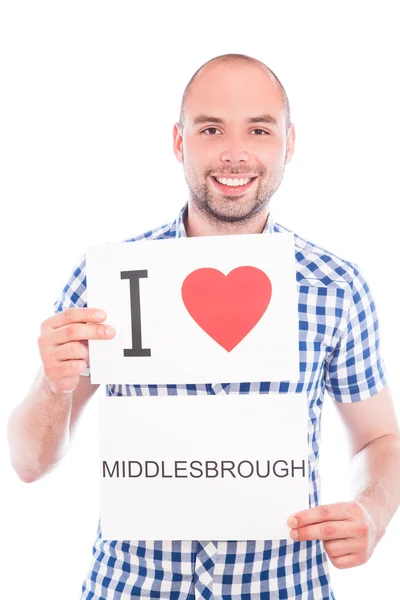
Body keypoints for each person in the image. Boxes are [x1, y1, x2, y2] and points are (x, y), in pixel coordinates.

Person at [7, 53, 400, 600]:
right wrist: (53, 383)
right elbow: (28, 464)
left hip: (285, 587)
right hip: (129, 588)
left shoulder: (336, 286)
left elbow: (380, 437)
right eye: (211, 128)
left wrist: (371, 511)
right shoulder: (109, 279)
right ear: (178, 142)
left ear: (288, 144)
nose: (235, 153)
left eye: (259, 130)